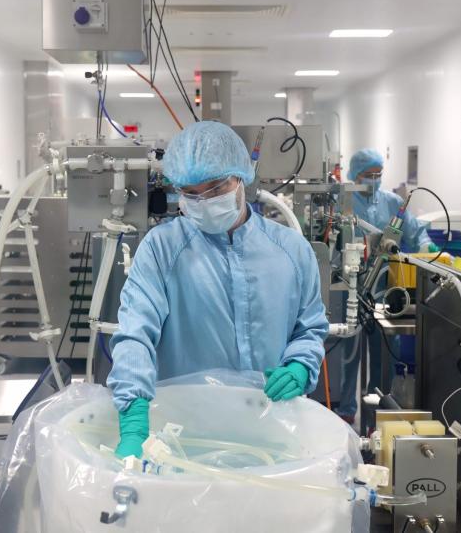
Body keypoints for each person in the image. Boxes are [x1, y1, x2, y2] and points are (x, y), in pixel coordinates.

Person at [107, 120, 330, 459]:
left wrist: (300, 365)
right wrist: (134, 420)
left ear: (240, 177)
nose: (204, 202)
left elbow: (309, 329)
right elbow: (135, 334)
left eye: (215, 189)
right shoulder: (163, 248)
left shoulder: (291, 250)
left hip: (271, 427)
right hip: (184, 436)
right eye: (190, 195)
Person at [333, 149, 437, 423]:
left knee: (384, 352)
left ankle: (378, 405)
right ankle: (346, 408)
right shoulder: (342, 202)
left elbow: (416, 232)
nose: (374, 180)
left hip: (385, 287)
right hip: (351, 285)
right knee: (350, 349)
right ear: (355, 175)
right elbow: (331, 237)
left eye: (378, 175)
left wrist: (426, 245)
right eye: (368, 175)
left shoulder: (393, 203)